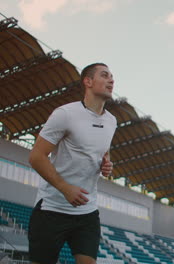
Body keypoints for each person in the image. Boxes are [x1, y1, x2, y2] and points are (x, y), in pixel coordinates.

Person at [28, 63, 117, 264]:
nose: (111, 80)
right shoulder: (65, 114)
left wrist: (107, 165)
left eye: (112, 76)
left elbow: (104, 153)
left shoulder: (112, 121)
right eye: (104, 75)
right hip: (52, 209)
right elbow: (36, 156)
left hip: (87, 212)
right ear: (88, 81)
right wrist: (65, 188)